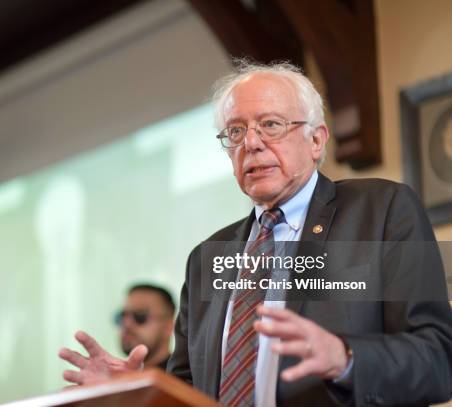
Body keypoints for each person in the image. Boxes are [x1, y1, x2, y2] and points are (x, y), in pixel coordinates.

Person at [58, 60, 452, 406]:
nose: (251, 143)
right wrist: (138, 392)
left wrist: (346, 356)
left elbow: (437, 360)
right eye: (235, 132)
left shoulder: (381, 211)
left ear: (316, 140)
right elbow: (189, 389)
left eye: (271, 125)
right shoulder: (206, 257)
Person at [114, 284, 175, 370]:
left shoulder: (188, 377)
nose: (126, 324)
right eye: (122, 316)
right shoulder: (119, 377)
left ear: (169, 326)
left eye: (140, 315)